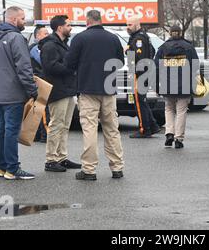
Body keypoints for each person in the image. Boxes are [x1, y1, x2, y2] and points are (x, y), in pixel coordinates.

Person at [66, 10, 125, 181]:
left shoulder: (79, 39)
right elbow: (120, 62)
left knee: (90, 129)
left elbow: (70, 63)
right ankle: (117, 167)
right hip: (109, 89)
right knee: (112, 129)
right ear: (100, 20)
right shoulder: (113, 38)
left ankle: (89, 170)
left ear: (88, 21)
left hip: (87, 89)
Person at [0, 6, 38, 180]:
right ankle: (12, 169)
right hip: (13, 93)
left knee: (0, 129)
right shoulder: (16, 38)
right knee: (11, 130)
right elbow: (24, 67)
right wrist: (32, 90)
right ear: (14, 19)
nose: (25, 21)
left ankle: (0, 167)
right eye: (23, 18)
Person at [39, 15, 80, 172]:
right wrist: (71, 68)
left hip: (68, 89)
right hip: (57, 91)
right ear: (59, 27)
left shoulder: (62, 44)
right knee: (56, 124)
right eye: (68, 25)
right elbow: (51, 67)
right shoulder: (50, 46)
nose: (70, 28)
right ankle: (51, 160)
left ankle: (62, 157)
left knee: (65, 125)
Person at [154, 25, 199, 149]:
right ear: (180, 33)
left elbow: (156, 69)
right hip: (184, 84)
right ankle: (178, 138)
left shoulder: (163, 48)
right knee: (181, 111)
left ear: (170, 33)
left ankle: (169, 133)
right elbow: (195, 66)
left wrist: (157, 87)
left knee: (168, 109)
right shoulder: (189, 47)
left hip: (167, 84)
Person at [125, 16, 160, 138]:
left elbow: (138, 58)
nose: (127, 27)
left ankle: (144, 129)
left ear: (137, 24)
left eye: (130, 25)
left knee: (139, 102)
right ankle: (153, 125)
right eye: (127, 25)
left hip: (139, 73)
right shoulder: (144, 36)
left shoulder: (138, 39)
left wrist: (128, 51)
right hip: (145, 72)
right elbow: (153, 51)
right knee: (142, 101)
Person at [29, 25, 49, 143]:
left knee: (38, 108)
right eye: (45, 34)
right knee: (42, 109)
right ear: (38, 36)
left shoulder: (42, 47)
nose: (48, 36)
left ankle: (36, 134)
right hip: (38, 81)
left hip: (40, 80)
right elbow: (43, 61)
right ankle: (44, 135)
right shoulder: (35, 48)